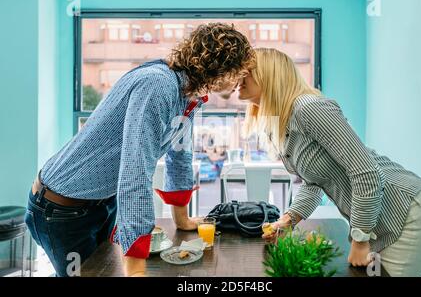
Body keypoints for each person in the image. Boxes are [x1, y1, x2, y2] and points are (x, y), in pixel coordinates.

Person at [25, 23, 255, 277]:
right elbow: (136, 171)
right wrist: (136, 271)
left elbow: (179, 155)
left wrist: (182, 220)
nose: (239, 81)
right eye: (239, 72)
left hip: (100, 203)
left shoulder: (187, 94)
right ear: (221, 68)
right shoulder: (158, 85)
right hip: (61, 209)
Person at [238, 48, 421, 277]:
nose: (238, 77)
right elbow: (313, 182)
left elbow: (366, 172)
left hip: (406, 212)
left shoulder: (309, 108)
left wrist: (360, 238)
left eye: (246, 72)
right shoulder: (282, 124)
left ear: (269, 75)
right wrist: (289, 218)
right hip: (377, 220)